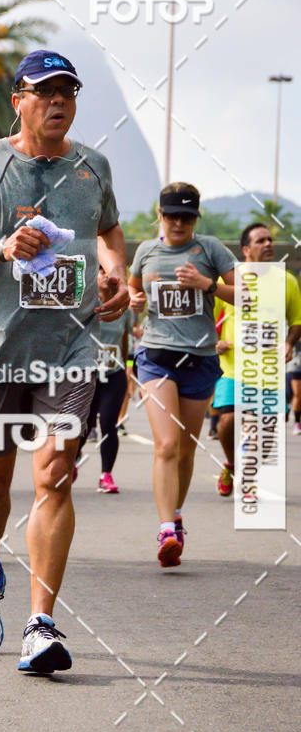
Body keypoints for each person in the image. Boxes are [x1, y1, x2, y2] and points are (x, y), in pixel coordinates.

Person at [0, 49, 129, 673]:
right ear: (19, 99)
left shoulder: (93, 168)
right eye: (45, 91)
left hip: (71, 348)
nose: (59, 101)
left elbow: (110, 232)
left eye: (68, 90)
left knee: (57, 473)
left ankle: (41, 624)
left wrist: (116, 268)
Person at [129, 182, 235, 567]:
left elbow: (249, 296)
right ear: (161, 215)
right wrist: (134, 300)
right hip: (157, 357)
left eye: (187, 217)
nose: (179, 223)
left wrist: (208, 285)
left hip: (200, 359)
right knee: (167, 445)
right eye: (173, 215)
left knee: (187, 450)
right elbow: (132, 292)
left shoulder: (210, 250)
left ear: (195, 219)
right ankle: (165, 530)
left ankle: (175, 515)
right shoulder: (146, 252)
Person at [213, 223, 301, 493]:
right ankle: (231, 464)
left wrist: (288, 342)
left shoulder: (287, 281)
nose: (268, 244)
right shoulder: (227, 280)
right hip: (232, 366)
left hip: (270, 369)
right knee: (227, 420)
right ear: (246, 250)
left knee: (267, 429)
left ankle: (248, 476)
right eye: (261, 241)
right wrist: (214, 340)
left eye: (270, 240)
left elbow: (297, 320)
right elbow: (207, 314)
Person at [76, 274, 133, 493]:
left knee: (109, 423)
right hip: (87, 373)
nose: (105, 276)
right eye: (100, 271)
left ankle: (106, 474)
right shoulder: (85, 302)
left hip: (113, 373)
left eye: (109, 272)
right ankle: (72, 459)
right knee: (85, 423)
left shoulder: (122, 306)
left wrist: (126, 367)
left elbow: (125, 338)